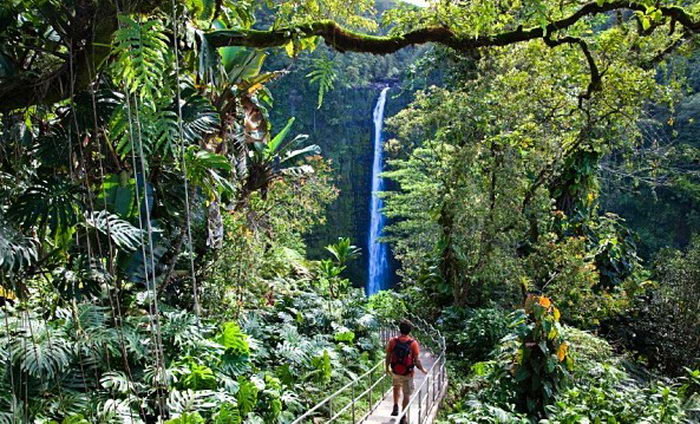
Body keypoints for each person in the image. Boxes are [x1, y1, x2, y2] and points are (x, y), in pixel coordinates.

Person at [385, 319, 427, 420]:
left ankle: (395, 406)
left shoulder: (393, 341)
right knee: (406, 394)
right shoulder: (413, 343)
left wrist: (387, 368)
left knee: (396, 387)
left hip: (395, 371)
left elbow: (388, 356)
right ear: (410, 330)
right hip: (408, 373)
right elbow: (416, 361)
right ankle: (403, 416)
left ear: (400, 329)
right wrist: (423, 370)